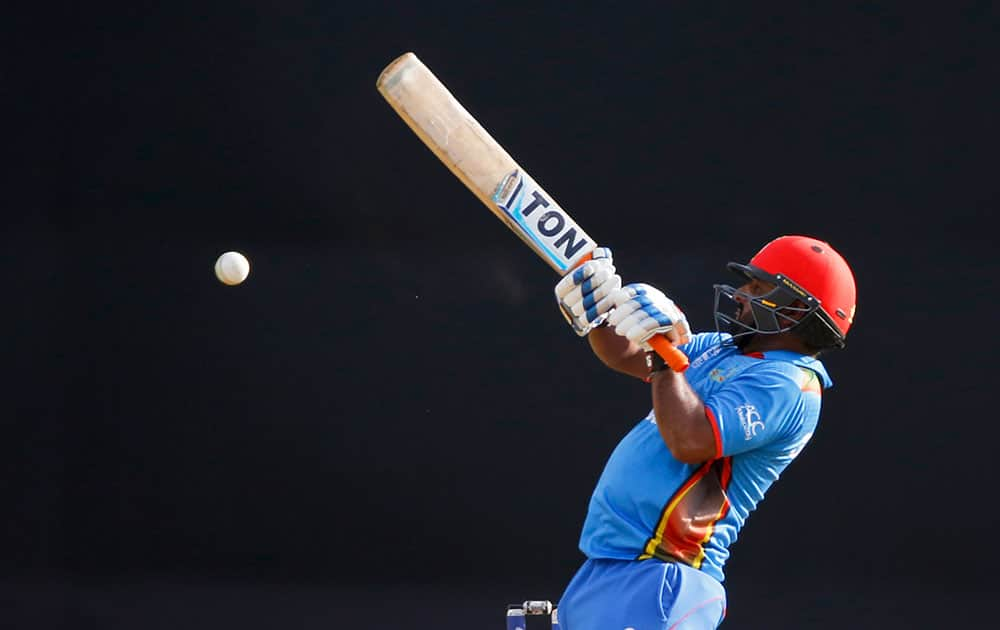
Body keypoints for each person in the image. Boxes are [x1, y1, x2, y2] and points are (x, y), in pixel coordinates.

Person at [551, 235, 857, 629]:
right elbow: (631, 356)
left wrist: (664, 356)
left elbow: (690, 440)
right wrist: (598, 314)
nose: (742, 294)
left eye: (759, 287)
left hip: (667, 574)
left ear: (796, 308)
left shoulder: (790, 384)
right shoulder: (722, 348)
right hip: (607, 566)